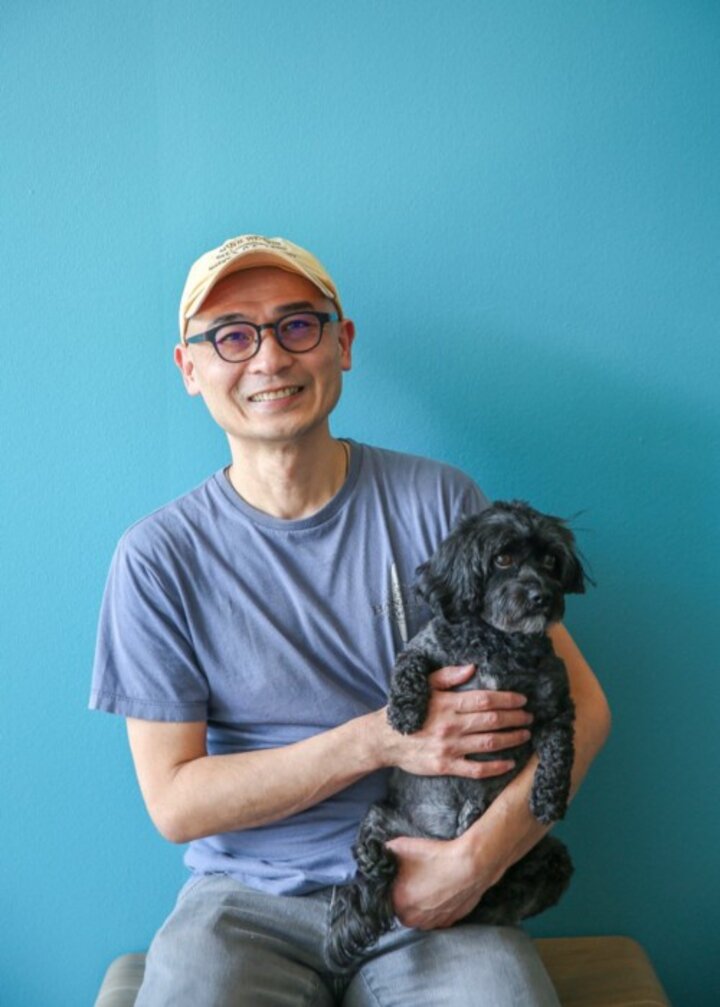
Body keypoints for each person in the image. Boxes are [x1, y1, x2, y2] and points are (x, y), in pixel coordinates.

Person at [90, 234, 610, 1006]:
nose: (269, 358)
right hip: (247, 902)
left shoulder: (440, 503)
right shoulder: (157, 557)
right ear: (190, 368)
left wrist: (473, 863)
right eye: (232, 334)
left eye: (298, 325)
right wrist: (381, 737)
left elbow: (585, 709)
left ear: (343, 343)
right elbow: (176, 801)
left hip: (438, 881)